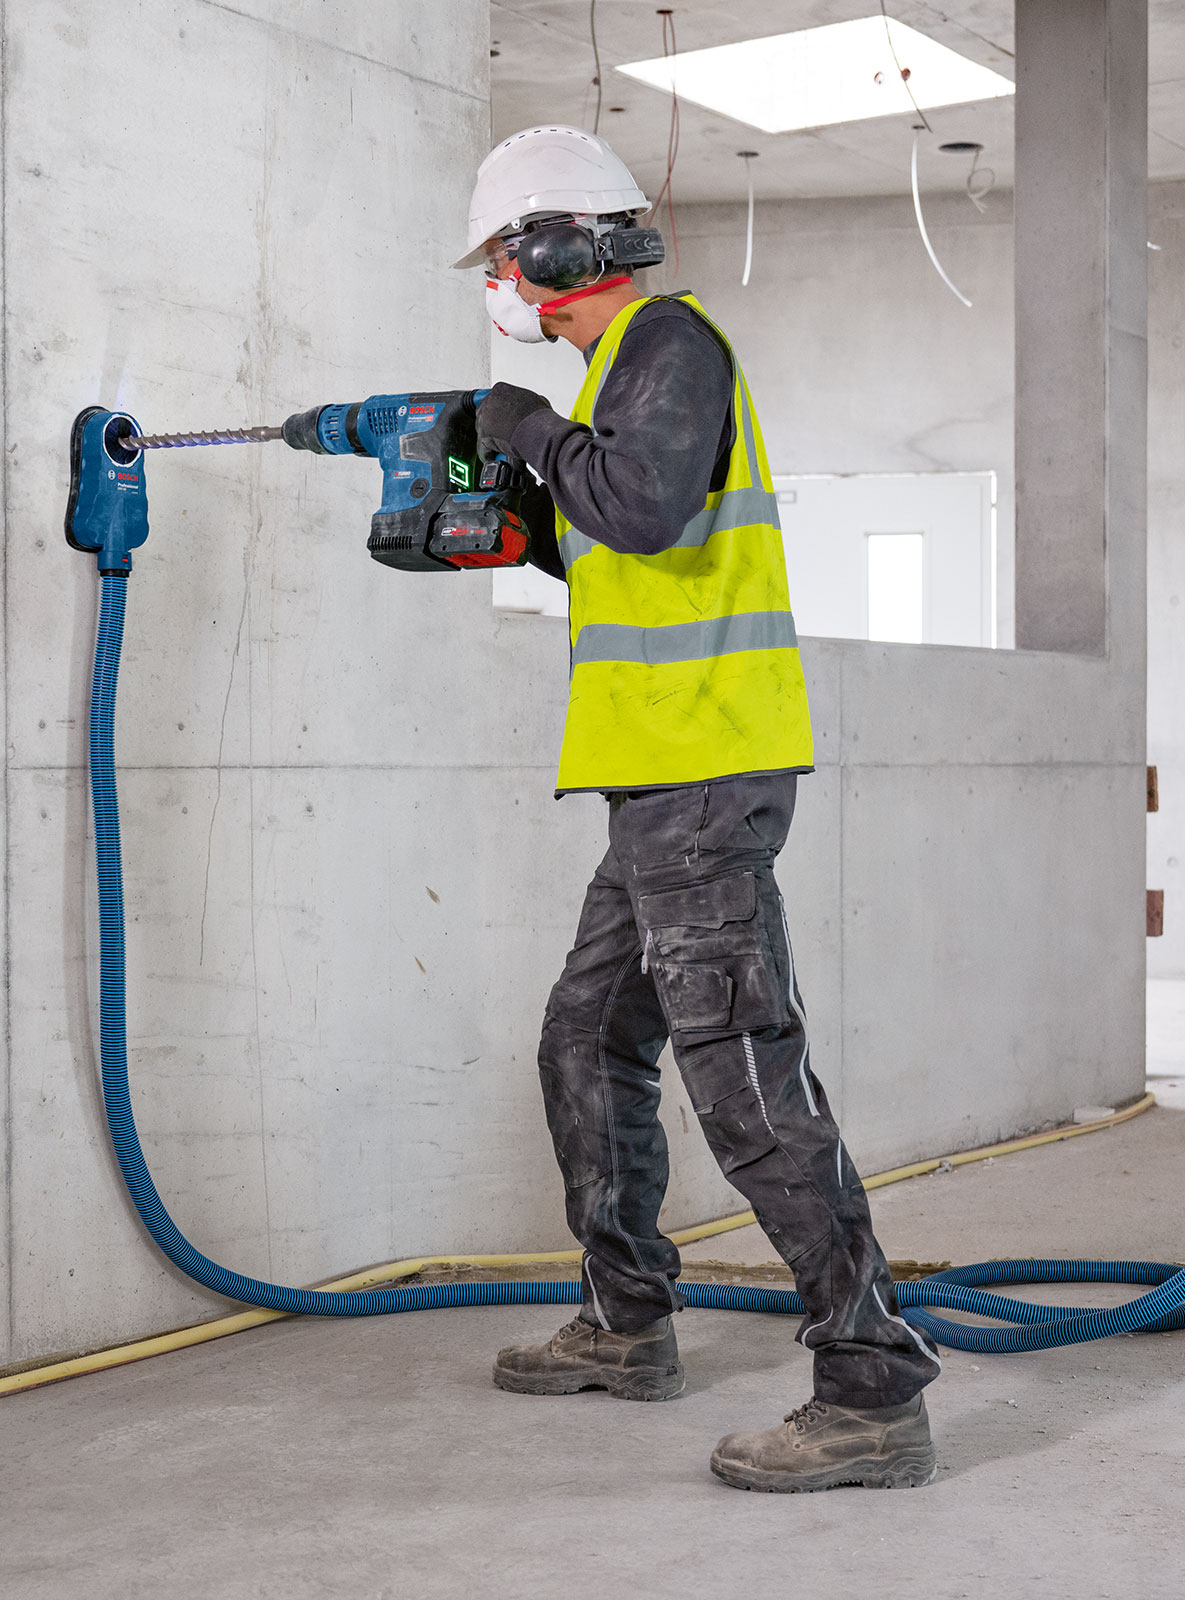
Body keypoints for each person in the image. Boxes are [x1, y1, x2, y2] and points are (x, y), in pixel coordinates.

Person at [455, 126, 940, 1492]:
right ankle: (628, 1322)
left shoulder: (667, 344)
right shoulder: (620, 375)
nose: (499, 283)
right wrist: (516, 511)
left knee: (743, 1081)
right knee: (586, 1039)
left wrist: (524, 429)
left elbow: (646, 508)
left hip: (705, 778)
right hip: (653, 788)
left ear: (563, 248)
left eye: (505, 255)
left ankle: (871, 1388)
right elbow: (620, 547)